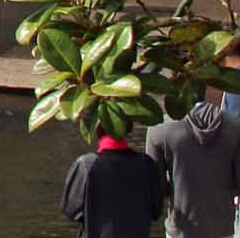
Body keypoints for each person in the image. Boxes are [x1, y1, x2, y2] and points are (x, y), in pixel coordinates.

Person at [147, 82, 240, 238]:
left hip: (181, 229)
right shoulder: (234, 127)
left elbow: (155, 188)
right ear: (205, 90)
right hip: (222, 228)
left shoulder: (159, 129)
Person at [62, 133, 163, 238]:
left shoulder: (86, 165)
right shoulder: (146, 164)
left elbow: (71, 210)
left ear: (96, 130)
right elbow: (156, 210)